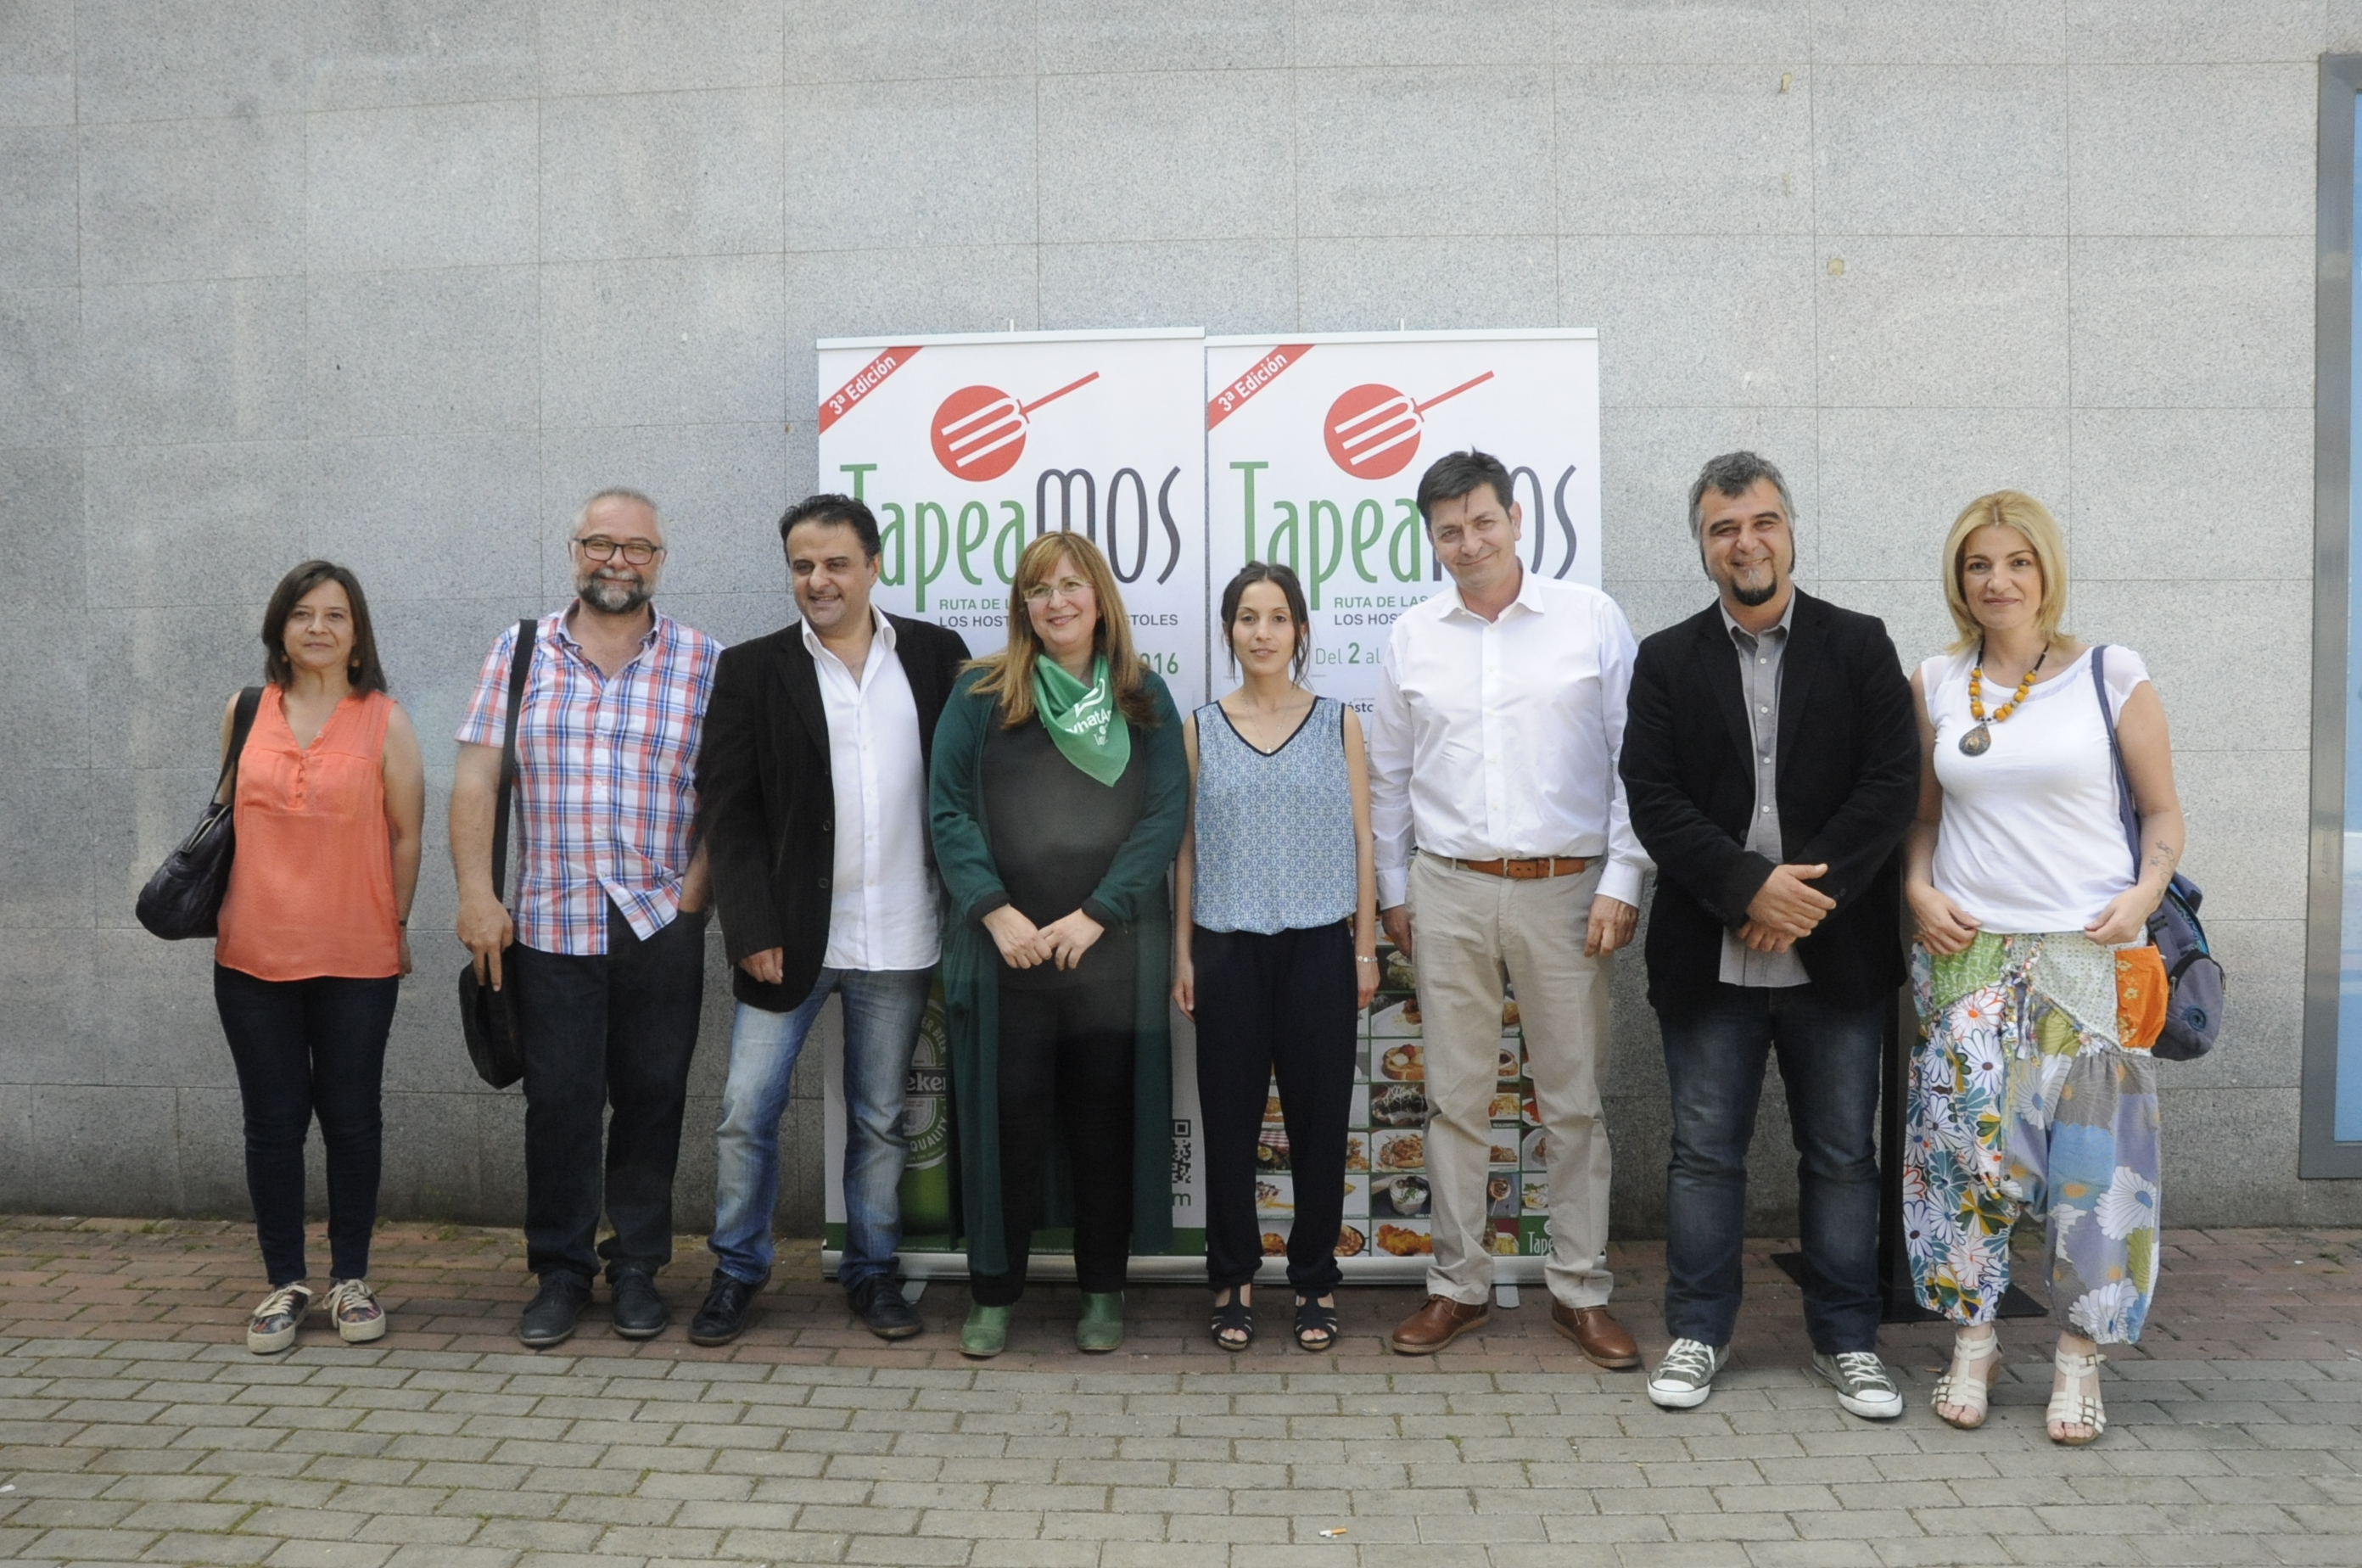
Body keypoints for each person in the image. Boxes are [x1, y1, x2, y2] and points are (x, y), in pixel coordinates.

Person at [1619, 452, 1920, 1419]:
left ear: (1789, 531)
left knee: (1842, 1157)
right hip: (1711, 955)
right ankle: (1699, 1333)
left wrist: (1800, 898)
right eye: (1723, 528)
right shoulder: (1666, 659)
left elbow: (1891, 786)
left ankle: (1847, 1341)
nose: (1744, 543)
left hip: (1837, 954)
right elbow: (1653, 798)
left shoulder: (1860, 644)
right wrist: (1749, 887)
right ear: (1703, 546)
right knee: (1705, 1155)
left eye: (1761, 523)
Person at [1903, 491, 2184, 1446]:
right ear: (1959, 579)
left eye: (2017, 562)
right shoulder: (1935, 680)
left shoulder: (2111, 674)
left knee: (2093, 1171)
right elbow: (1924, 818)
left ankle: (2078, 1361)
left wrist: (2145, 895)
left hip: (2089, 956)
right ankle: (1973, 1345)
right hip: (1970, 954)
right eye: (1979, 564)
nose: (1999, 581)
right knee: (1964, 1158)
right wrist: (1916, 888)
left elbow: (2163, 811)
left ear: (2046, 571)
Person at [1368, 448, 1648, 1364]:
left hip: (1567, 891)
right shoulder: (1413, 636)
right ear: (1432, 538)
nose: (1470, 543)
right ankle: (1458, 1286)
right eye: (1449, 530)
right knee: (1455, 1102)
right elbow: (1389, 778)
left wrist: (1622, 878)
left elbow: (1635, 763)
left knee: (1571, 1102)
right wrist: (1396, 890)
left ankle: (1580, 1290)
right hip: (1447, 889)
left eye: (1484, 521)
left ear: (1517, 519)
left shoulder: (1589, 619)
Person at [689, 495, 970, 1347]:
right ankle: (738, 1270)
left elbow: (968, 784)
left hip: (902, 933)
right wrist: (749, 928)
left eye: (837, 563)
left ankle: (873, 1272)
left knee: (881, 1117)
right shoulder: (751, 669)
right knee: (746, 1112)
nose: (819, 580)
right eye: (803, 565)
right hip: (786, 941)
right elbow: (729, 811)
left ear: (873, 566)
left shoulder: (936, 655)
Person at [451, 488, 720, 1349]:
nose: (618, 561)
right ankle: (561, 1271)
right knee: (559, 1104)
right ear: (575, 551)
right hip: (549, 924)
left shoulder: (703, 660)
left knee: (653, 1100)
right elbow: (477, 778)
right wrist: (476, 894)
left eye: (637, 548)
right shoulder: (521, 651)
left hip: (659, 923)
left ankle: (636, 1266)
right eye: (601, 544)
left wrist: (694, 899)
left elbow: (729, 794)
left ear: (659, 561)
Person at [929, 532, 1188, 1358]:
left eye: (1072, 586)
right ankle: (994, 1293)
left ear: (1099, 598)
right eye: (1039, 590)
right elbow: (947, 809)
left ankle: (1103, 1290)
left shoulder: (1142, 697)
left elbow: (1164, 816)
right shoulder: (980, 693)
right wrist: (994, 912)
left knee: (1102, 1127)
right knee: (1006, 1125)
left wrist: (1098, 913)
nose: (1056, 603)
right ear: (1023, 607)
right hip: (1007, 955)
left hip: (1107, 954)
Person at [211, 561, 423, 1354]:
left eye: (336, 615)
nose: (318, 628)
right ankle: (285, 1282)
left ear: (357, 634)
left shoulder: (386, 722)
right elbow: (225, 818)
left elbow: (407, 835)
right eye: (302, 613)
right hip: (251, 955)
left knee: (352, 1121)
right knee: (272, 1126)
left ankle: (351, 1280)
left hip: (356, 957)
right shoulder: (244, 711)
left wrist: (395, 924)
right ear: (280, 628)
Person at [1173, 562, 1380, 1353]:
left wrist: (1364, 948)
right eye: (1248, 618)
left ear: (1301, 630)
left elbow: (1363, 839)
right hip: (1226, 948)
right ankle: (1232, 1278)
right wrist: (1183, 954)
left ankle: (1315, 1279)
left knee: (1318, 1124)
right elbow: (1187, 849)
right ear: (1229, 630)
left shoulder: (1337, 722)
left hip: (1319, 948)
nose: (1263, 633)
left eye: (1278, 617)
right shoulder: (1202, 727)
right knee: (1229, 1123)